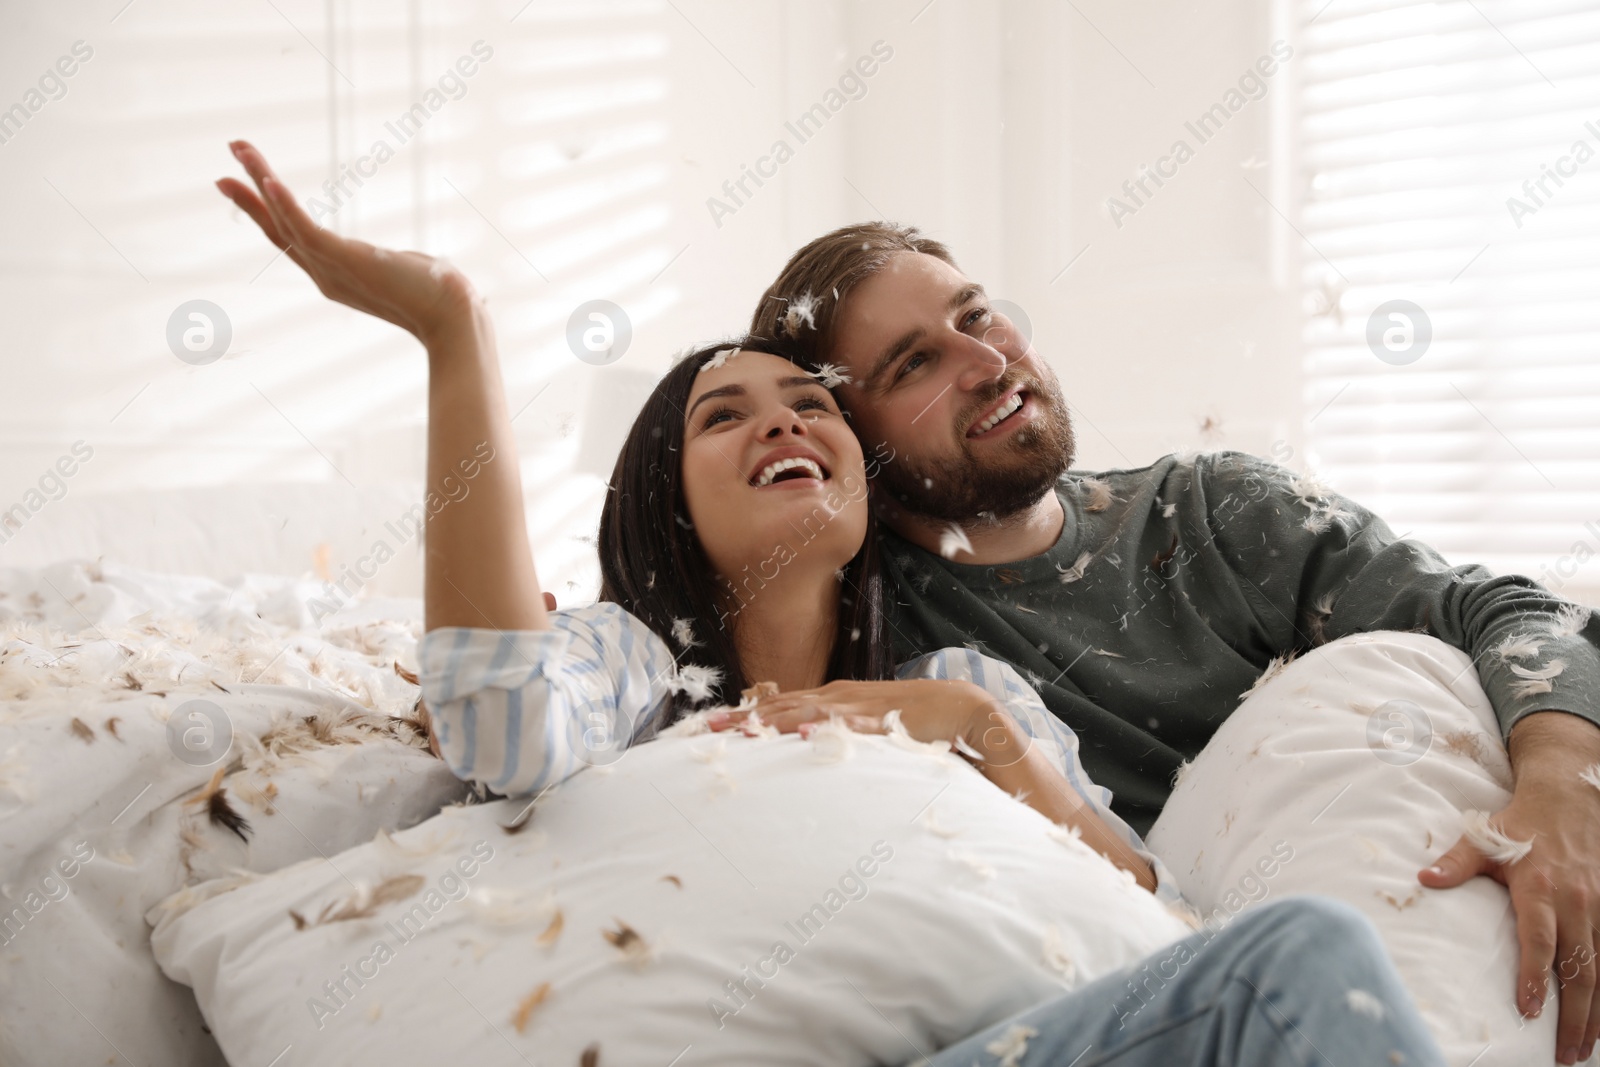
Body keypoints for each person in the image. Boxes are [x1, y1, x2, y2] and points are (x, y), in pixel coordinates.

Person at [216, 141, 1447, 1066]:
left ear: (866, 471)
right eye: (722, 414)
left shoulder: (965, 686)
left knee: (1300, 950)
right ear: (665, 500)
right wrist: (453, 326)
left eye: (808, 403)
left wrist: (989, 742)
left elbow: (1157, 929)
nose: (781, 421)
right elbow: (497, 721)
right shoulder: (635, 664)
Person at [748, 221, 1600, 1065]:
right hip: (1155, 999)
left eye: (975, 316)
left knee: (1422, 678)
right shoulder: (863, 637)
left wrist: (1565, 790)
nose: (987, 362)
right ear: (853, 441)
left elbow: (1508, 613)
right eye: (915, 364)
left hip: (1382, 948)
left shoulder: (1215, 511)